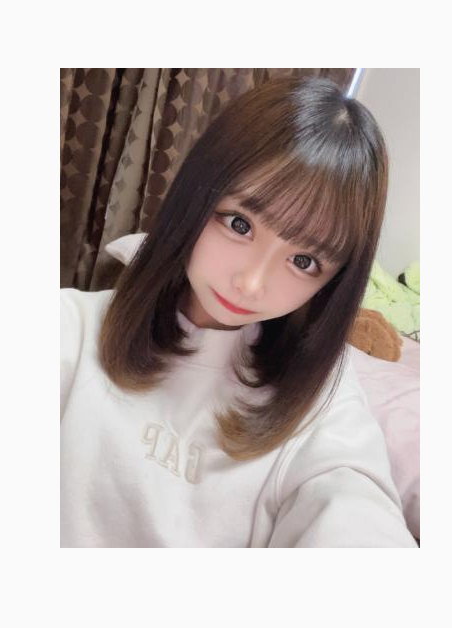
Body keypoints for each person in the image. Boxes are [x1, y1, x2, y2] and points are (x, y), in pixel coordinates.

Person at [60, 76, 418, 547]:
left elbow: (353, 505)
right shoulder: (75, 326)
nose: (251, 283)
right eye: (239, 224)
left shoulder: (321, 406)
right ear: (197, 195)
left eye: (303, 261)